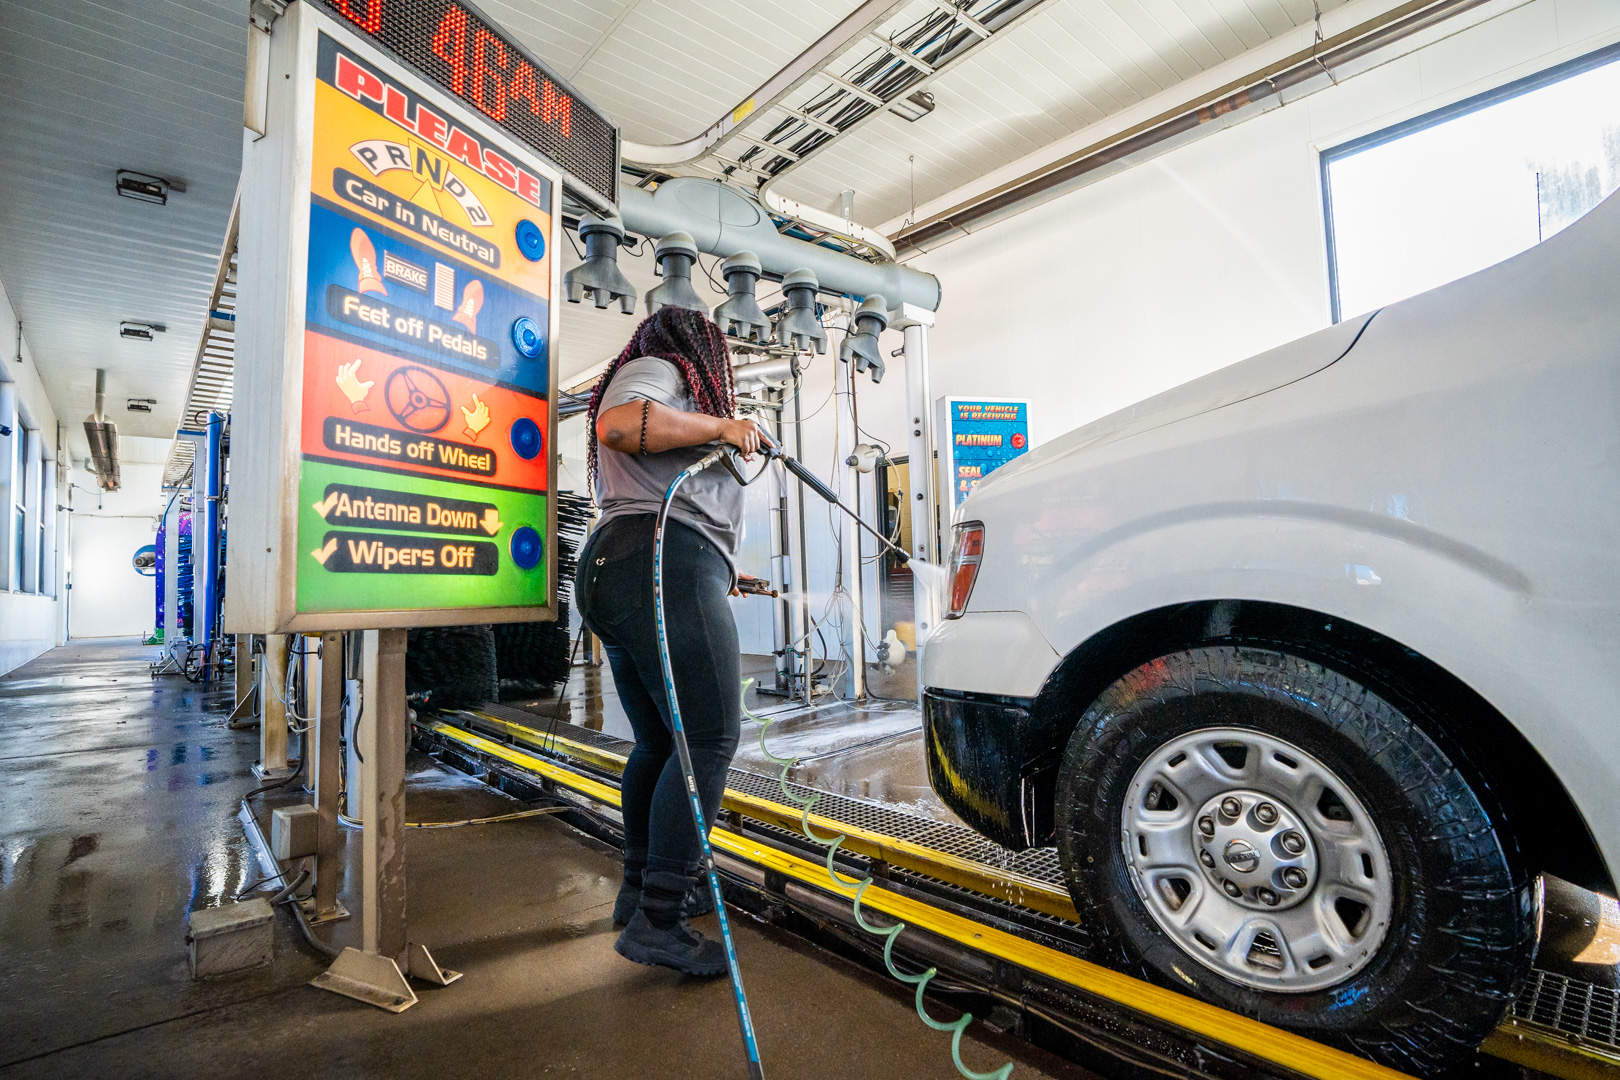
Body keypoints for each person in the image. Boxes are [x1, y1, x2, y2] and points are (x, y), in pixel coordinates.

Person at [575, 305, 770, 975]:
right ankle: (661, 919)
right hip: (660, 561)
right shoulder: (659, 370)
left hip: (631, 564)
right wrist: (723, 425)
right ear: (698, 349)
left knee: (659, 742)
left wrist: (718, 570)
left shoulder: (659, 382)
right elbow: (620, 425)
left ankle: (638, 894)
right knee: (709, 739)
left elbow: (667, 492)